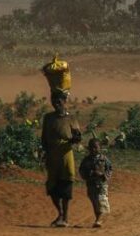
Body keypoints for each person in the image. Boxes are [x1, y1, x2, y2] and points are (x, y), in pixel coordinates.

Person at [41, 90, 81, 227]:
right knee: (52, 187)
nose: (56, 103)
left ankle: (65, 217)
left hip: (65, 157)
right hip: (52, 157)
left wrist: (75, 138)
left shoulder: (71, 118)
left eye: (59, 100)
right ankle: (60, 214)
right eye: (54, 100)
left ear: (65, 101)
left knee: (65, 187)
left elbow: (77, 137)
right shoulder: (48, 118)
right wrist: (44, 153)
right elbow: (44, 138)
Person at [79, 138, 113, 228]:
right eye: (91, 148)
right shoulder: (86, 160)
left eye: (95, 147)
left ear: (100, 148)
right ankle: (98, 217)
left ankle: (99, 220)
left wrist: (104, 176)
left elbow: (109, 169)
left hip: (102, 184)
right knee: (95, 202)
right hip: (91, 185)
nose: (93, 149)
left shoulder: (104, 159)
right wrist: (89, 174)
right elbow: (81, 170)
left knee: (101, 200)